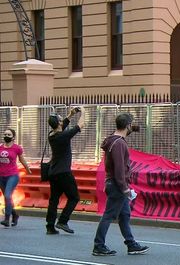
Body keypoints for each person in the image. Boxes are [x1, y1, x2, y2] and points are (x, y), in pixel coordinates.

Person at [93, 112, 149, 256]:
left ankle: (131, 244)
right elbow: (119, 168)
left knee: (124, 215)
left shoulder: (114, 140)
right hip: (118, 185)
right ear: (127, 126)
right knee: (109, 215)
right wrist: (125, 189)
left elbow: (111, 164)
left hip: (114, 183)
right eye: (131, 125)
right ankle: (99, 245)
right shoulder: (119, 144)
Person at [46, 107, 85, 235]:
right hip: (64, 172)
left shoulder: (52, 135)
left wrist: (71, 114)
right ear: (59, 123)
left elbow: (63, 125)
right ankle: (63, 221)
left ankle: (50, 226)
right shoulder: (63, 136)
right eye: (61, 120)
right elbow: (80, 125)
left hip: (53, 172)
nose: (63, 121)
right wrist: (83, 112)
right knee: (74, 197)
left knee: (54, 199)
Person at [0, 128, 32, 227]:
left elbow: (22, 160)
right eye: (5, 134)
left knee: (8, 195)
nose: (6, 136)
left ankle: (6, 219)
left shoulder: (17, 148)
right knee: (7, 197)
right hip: (1, 176)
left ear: (13, 137)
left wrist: (28, 169)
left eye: (9, 135)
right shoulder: (0, 147)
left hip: (12, 175)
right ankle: (15, 215)